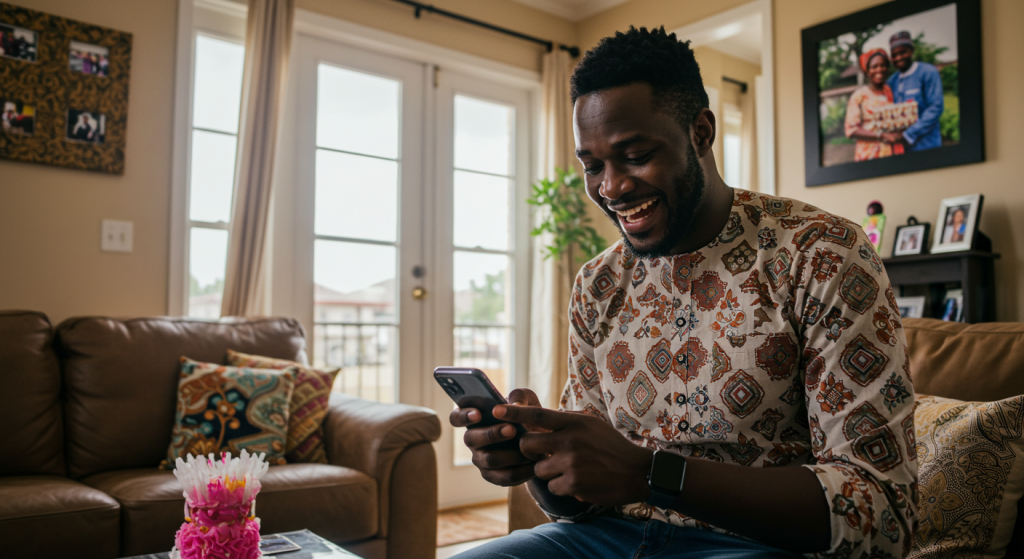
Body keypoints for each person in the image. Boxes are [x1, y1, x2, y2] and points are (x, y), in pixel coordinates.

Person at [451, 27, 917, 559]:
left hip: (756, 546)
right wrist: (535, 462)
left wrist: (649, 475)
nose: (612, 187)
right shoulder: (598, 285)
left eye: (635, 154)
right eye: (593, 165)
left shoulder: (822, 253)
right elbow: (581, 501)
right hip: (606, 540)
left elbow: (879, 512)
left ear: (700, 133)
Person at [885, 31, 944, 151]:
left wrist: (908, 134)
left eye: (903, 52)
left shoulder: (927, 72)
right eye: (894, 55)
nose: (898, 58)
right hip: (901, 149)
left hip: (927, 144)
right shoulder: (892, 81)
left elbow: (936, 107)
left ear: (911, 51)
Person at [844, 48, 902, 161]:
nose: (879, 69)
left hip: (889, 151)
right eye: (874, 67)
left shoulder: (888, 91)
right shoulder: (859, 96)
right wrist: (881, 135)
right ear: (867, 70)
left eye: (883, 65)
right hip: (868, 154)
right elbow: (851, 130)